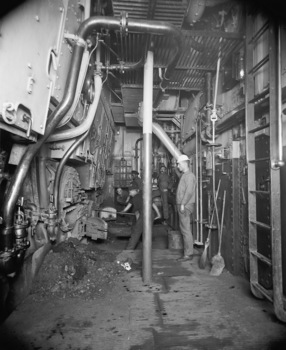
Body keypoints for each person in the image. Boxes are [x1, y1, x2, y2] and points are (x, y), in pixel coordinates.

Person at [120, 182, 161, 250]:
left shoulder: (135, 198)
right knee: (147, 232)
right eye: (129, 191)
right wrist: (158, 214)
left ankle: (129, 250)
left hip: (144, 215)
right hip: (151, 214)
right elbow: (153, 204)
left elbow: (136, 212)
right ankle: (147, 250)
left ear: (136, 190)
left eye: (131, 191)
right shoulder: (143, 195)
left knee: (136, 232)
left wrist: (122, 212)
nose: (129, 192)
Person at [176, 154, 196, 261]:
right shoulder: (185, 175)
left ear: (184, 163)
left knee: (186, 230)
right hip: (182, 205)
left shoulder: (189, 176)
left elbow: (188, 192)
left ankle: (188, 254)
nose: (178, 166)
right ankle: (188, 253)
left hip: (185, 205)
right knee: (184, 229)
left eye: (179, 164)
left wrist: (183, 204)